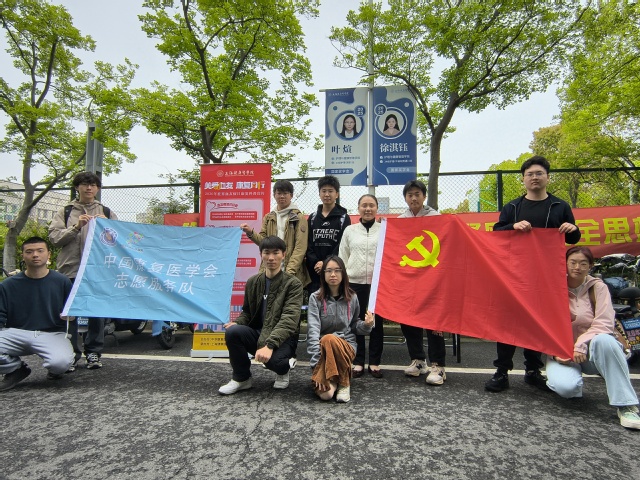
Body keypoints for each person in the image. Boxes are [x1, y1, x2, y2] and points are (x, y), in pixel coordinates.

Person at [485, 156, 581, 392]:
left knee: (538, 323)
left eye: (539, 173)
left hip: (545, 279)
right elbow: (497, 233)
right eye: (530, 174)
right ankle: (501, 372)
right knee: (508, 323)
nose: (534, 178)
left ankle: (532, 371)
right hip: (514, 276)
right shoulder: (512, 207)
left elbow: (573, 238)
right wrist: (512, 226)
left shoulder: (560, 206)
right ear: (523, 179)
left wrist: (573, 228)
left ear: (548, 177)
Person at [546, 246, 640, 429]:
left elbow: (604, 323)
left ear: (590, 266)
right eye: (573, 262)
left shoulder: (598, 288)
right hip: (563, 352)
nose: (577, 267)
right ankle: (575, 379)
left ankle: (626, 405)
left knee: (604, 340)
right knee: (567, 389)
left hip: (591, 349)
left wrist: (580, 345)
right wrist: (556, 353)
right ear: (564, 264)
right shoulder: (553, 288)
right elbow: (545, 325)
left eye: (583, 263)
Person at [49, 171, 117, 371]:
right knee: (69, 314)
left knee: (96, 312)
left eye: (93, 185)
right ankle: (70, 354)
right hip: (69, 269)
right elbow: (54, 239)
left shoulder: (106, 211)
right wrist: (76, 227)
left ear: (97, 188)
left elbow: (119, 241)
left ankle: (93, 352)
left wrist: (107, 226)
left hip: (97, 271)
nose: (89, 188)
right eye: (84, 184)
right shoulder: (66, 211)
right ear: (76, 187)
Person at [219, 236, 304, 395]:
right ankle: (242, 379)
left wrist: (270, 345)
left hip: (284, 338)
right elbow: (247, 312)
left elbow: (289, 320)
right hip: (259, 332)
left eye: (276, 253)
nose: (271, 258)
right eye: (267, 253)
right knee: (233, 332)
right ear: (261, 255)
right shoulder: (253, 282)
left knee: (277, 363)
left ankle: (284, 368)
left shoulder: (293, 284)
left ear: (283, 255)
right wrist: (238, 322)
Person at [0, 237, 74, 391]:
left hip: (52, 333)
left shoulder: (62, 282)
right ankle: (15, 369)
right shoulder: (8, 285)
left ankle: (55, 370)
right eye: (29, 251)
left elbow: (73, 313)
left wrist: (71, 318)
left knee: (60, 363)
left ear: (49, 255)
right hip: (16, 333)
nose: (35, 255)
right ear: (22, 256)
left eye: (40, 251)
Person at [397, 180, 448, 385]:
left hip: (433, 279)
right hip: (409, 279)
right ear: (405, 198)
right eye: (409, 195)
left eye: (417, 194)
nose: (414, 198)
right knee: (408, 319)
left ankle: (438, 366)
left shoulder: (437, 218)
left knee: (434, 322)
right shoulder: (400, 221)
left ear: (424, 196)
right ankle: (418, 360)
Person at [307, 255, 374, 403]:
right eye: (329, 270)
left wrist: (367, 325)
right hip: (323, 350)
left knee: (329, 338)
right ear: (323, 274)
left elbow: (355, 325)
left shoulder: (352, 297)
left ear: (343, 273)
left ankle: (344, 383)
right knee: (326, 395)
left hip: (346, 346)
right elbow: (313, 330)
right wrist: (316, 364)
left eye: (337, 270)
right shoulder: (315, 298)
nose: (333, 274)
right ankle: (339, 379)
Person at [339, 194, 384, 378]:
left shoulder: (384, 230)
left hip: (377, 284)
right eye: (364, 205)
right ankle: (357, 361)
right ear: (358, 208)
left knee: (376, 324)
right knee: (355, 322)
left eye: (371, 205)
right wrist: (343, 280)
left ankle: (374, 362)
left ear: (377, 208)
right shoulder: (350, 230)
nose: (368, 209)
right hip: (354, 283)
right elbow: (343, 256)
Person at [240, 179, 310, 289]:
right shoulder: (269, 217)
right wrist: (250, 232)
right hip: (269, 270)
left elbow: (300, 248)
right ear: (274, 195)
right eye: (279, 193)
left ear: (291, 195)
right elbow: (264, 242)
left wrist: (288, 272)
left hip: (291, 272)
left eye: (285, 193)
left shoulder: (298, 217)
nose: (282, 196)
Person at [306, 175, 351, 294]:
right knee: (315, 301)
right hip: (315, 271)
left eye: (330, 191)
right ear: (319, 194)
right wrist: (316, 263)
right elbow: (308, 243)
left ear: (337, 194)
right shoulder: (312, 218)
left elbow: (342, 244)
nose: (327, 194)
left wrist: (326, 264)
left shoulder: (343, 218)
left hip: (334, 271)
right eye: (324, 191)